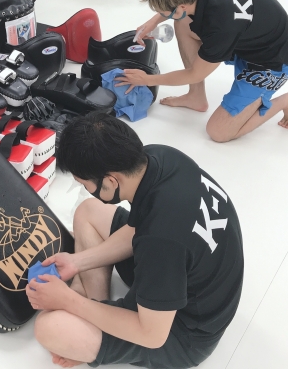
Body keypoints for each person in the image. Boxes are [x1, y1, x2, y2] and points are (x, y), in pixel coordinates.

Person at [27, 113, 244, 368]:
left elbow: (152, 336)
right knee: (88, 211)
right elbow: (138, 230)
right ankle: (97, 308)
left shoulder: (161, 241)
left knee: (48, 328)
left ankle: (89, 314)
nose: (86, 190)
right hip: (191, 279)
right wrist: (77, 262)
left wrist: (69, 302)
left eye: (85, 184)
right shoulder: (159, 157)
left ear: (110, 181)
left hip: (186, 333)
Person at [116, 0, 288, 142]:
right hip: (247, 38)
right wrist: (154, 21)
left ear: (181, 6)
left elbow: (195, 73)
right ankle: (196, 96)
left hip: (272, 62)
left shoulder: (221, 26)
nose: (159, 14)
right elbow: (181, 12)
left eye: (162, 11)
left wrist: (146, 79)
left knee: (219, 132)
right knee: (183, 22)